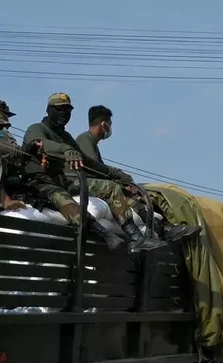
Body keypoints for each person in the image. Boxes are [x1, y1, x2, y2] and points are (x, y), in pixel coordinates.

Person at [23, 93, 165, 253]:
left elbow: (89, 163)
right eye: (59, 109)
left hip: (64, 181)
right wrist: (65, 149)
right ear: (48, 110)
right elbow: (38, 143)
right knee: (78, 201)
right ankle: (113, 235)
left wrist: (117, 174)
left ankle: (138, 236)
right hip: (44, 183)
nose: (63, 113)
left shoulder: (66, 136)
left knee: (114, 188)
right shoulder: (37, 128)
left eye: (68, 109)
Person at [74, 105, 198, 241]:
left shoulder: (90, 142)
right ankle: (144, 233)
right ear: (103, 124)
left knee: (130, 196)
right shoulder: (84, 139)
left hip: (91, 182)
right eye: (110, 124)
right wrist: (120, 177)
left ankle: (162, 227)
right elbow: (94, 169)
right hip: (81, 182)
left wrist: (123, 182)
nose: (110, 128)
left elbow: (101, 171)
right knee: (117, 189)